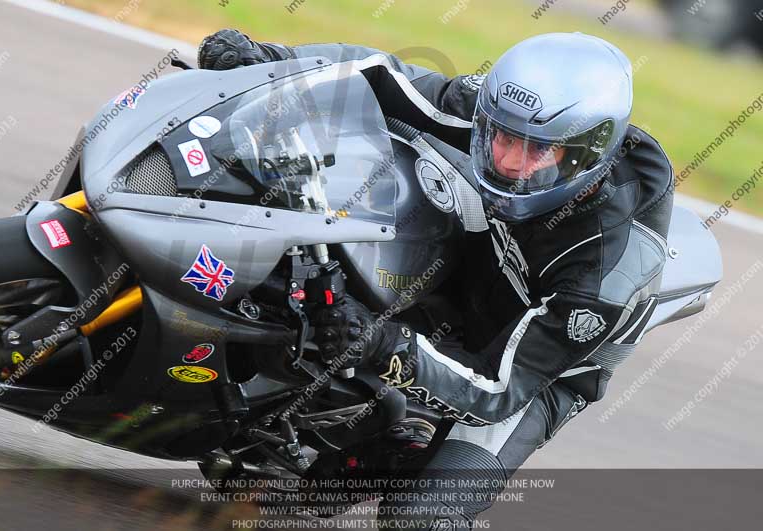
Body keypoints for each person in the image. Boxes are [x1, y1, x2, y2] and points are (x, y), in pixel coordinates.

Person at [198, 30, 674, 530]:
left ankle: (401, 450)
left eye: (537, 152)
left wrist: (383, 341)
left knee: (420, 520)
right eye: (504, 137)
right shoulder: (502, 113)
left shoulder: (606, 275)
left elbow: (498, 389)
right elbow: (381, 77)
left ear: (584, 156)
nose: (510, 163)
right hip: (474, 264)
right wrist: (272, 59)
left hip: (529, 369)